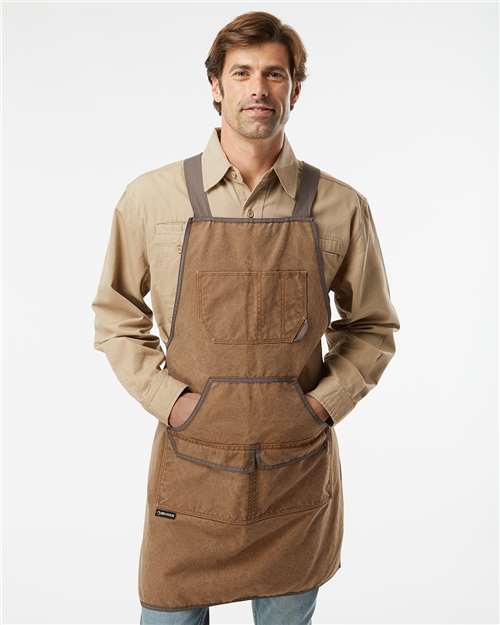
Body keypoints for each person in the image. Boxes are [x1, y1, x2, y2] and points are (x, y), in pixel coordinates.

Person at [91, 10, 400, 625]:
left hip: (294, 475)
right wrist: (172, 402)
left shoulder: (340, 205)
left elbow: (372, 326)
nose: (259, 88)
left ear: (295, 89)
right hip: (192, 470)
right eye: (242, 73)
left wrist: (321, 405)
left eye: (275, 74)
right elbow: (116, 316)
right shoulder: (151, 198)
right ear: (216, 85)